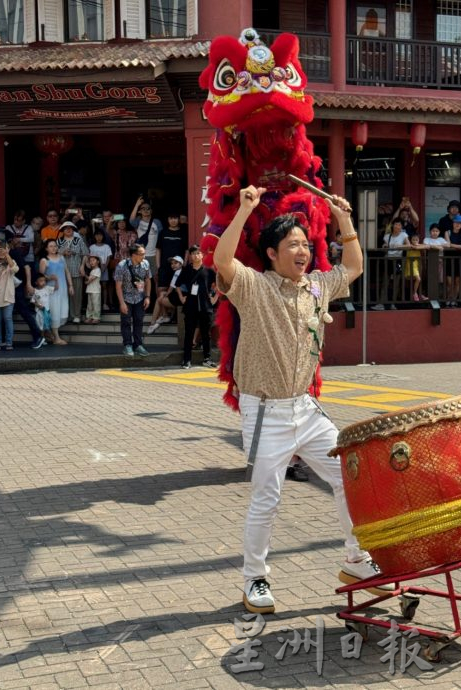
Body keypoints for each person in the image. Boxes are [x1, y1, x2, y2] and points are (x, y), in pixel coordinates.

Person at [214, 184, 388, 615]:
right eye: (292, 245)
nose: (303, 251)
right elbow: (222, 260)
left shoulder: (315, 288)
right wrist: (245, 210)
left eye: (306, 244)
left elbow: (353, 266)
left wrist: (344, 220)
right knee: (266, 497)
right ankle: (255, 578)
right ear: (271, 253)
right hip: (265, 410)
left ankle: (356, 560)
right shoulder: (254, 286)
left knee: (350, 475)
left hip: (305, 409)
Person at [178, 245, 216, 369]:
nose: (196, 255)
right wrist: (181, 297)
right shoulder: (186, 270)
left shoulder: (209, 271)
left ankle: (207, 358)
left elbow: (219, 284)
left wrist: (214, 297)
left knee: (206, 334)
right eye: (193, 253)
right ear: (190, 256)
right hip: (190, 305)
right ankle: (187, 360)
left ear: (202, 255)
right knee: (189, 333)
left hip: (206, 306)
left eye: (198, 253)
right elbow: (177, 284)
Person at [114, 245, 152, 357]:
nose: (144, 256)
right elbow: (118, 286)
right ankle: (127, 345)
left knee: (139, 321)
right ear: (133, 255)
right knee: (126, 322)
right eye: (141, 254)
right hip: (126, 298)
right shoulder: (122, 266)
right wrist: (121, 303)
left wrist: (147, 296)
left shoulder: (145, 264)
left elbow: (148, 280)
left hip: (139, 297)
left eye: (144, 254)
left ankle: (138, 345)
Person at [39, 239, 73, 345]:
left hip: (62, 289)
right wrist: (49, 277)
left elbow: (67, 272)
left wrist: (70, 285)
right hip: (52, 291)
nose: (53, 248)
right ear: (46, 248)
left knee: (62, 311)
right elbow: (40, 277)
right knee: (54, 312)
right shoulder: (44, 260)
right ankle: (56, 338)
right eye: (51, 246)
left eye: (55, 246)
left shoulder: (61, 258)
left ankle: (48, 334)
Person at [56, 220, 88, 324]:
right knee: (63, 294)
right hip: (62, 272)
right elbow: (54, 255)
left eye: (70, 228)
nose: (68, 230)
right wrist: (62, 253)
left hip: (76, 270)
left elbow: (86, 254)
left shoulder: (79, 240)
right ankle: (66, 315)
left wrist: (82, 266)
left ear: (73, 229)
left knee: (76, 294)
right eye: (66, 228)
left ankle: (76, 315)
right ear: (62, 230)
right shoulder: (58, 241)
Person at [0, 242, 18, 350]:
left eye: (3, 249)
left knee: (8, 318)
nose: (1, 251)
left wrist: (7, 255)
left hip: (7, 295)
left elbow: (15, 269)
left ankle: (9, 342)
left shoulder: (10, 262)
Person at [130, 196, 162, 287]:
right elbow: (131, 221)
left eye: (148, 208)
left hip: (154, 255)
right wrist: (137, 205)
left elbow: (160, 239)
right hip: (141, 255)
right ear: (139, 211)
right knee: (140, 278)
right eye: (143, 209)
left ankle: (156, 300)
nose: (146, 210)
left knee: (156, 278)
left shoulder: (157, 222)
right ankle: (142, 299)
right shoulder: (138, 221)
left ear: (151, 210)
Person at [148, 255, 184, 333]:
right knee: (162, 294)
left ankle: (154, 322)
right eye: (172, 263)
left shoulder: (178, 272)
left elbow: (171, 288)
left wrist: (165, 295)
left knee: (159, 299)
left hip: (180, 298)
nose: (173, 265)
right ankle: (164, 316)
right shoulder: (179, 271)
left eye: (175, 263)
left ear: (181, 264)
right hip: (179, 296)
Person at [444, 214, 461, 307]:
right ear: (453, 223)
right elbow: (448, 244)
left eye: (460, 223)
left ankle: (454, 300)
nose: (458, 224)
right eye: (456, 222)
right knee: (449, 282)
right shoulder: (448, 232)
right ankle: (448, 298)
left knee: (458, 281)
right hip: (450, 259)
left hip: (460, 260)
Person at [88, 229, 113, 312]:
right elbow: (90, 258)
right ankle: (94, 304)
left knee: (104, 286)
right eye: (97, 235)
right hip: (94, 269)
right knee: (94, 286)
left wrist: (104, 267)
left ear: (103, 236)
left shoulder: (107, 246)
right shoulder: (92, 247)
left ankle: (105, 303)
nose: (99, 237)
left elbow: (109, 257)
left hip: (103, 268)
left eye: (100, 235)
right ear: (94, 237)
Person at [31, 274, 55, 342]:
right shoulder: (35, 291)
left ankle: (45, 337)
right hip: (39, 312)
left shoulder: (47, 288)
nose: (43, 282)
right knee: (41, 326)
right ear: (36, 282)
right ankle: (42, 339)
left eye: (44, 280)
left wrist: (56, 280)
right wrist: (38, 305)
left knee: (46, 325)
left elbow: (56, 288)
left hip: (47, 311)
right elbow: (33, 301)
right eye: (41, 281)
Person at [404, 234, 426, 301]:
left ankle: (419, 294)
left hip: (417, 265)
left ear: (419, 240)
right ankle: (415, 293)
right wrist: (412, 246)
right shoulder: (409, 246)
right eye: (413, 239)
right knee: (418, 279)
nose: (415, 241)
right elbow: (402, 246)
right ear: (411, 240)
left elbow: (427, 246)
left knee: (418, 280)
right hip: (411, 265)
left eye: (416, 240)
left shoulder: (420, 246)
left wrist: (418, 246)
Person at [84, 255, 102, 324]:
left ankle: (96, 317)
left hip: (96, 290)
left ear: (98, 262)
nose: (91, 262)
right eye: (90, 261)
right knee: (90, 305)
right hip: (90, 289)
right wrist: (87, 281)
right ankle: (89, 317)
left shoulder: (98, 270)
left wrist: (84, 275)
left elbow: (90, 279)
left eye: (93, 260)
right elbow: (88, 280)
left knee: (96, 304)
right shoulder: (92, 270)